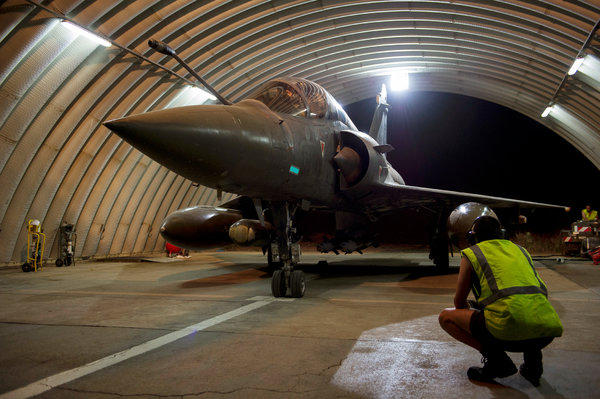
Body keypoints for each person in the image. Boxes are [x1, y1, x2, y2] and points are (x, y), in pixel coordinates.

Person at [438, 216, 563, 385]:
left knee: (446, 317)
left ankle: (496, 361)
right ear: (501, 234)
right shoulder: (521, 250)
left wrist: (474, 309)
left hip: (507, 334)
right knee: (526, 310)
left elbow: (459, 303)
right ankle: (533, 366)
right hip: (546, 331)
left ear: (473, 237)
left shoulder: (472, 253)